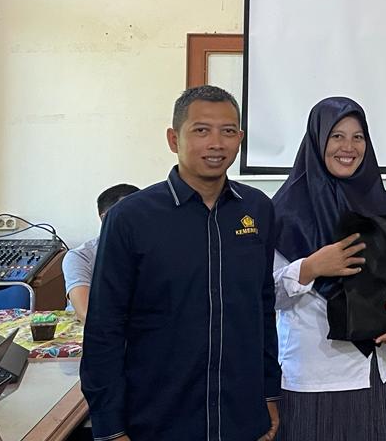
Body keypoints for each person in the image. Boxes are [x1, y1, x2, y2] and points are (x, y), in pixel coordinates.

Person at [81, 85, 280, 441]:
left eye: (228, 131)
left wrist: (268, 393)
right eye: (201, 130)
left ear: (240, 139)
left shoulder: (257, 209)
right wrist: (109, 426)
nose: (216, 143)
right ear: (174, 139)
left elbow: (263, 309)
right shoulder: (131, 218)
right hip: (158, 419)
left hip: (240, 415)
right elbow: (104, 327)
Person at [271, 97, 386, 441]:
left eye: (358, 137)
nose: (349, 147)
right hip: (313, 373)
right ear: (317, 140)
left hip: (373, 371)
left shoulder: (381, 204)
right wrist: (310, 267)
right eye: (337, 136)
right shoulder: (283, 212)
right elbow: (263, 295)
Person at [62, 183, 140, 323]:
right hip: (88, 331)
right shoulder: (80, 257)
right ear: (105, 219)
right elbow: (86, 313)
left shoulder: (156, 253)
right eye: (131, 215)